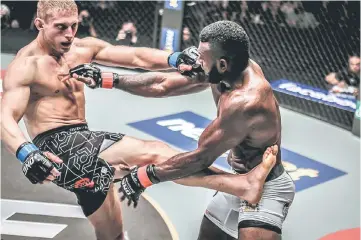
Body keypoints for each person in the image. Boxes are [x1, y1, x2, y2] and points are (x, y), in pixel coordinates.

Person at [1, 1, 275, 239]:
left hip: (85, 154)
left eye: (73, 25)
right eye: (60, 27)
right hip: (57, 146)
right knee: (155, 152)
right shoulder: (27, 65)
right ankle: (241, 185)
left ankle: (240, 185)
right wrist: (27, 153)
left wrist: (175, 57)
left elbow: (136, 56)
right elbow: (5, 116)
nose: (70, 34)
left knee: (115, 235)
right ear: (39, 23)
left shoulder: (81, 48)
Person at [102, 20, 295, 240]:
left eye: (203, 59)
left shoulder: (246, 101)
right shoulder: (229, 69)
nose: (197, 61)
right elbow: (163, 84)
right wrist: (110, 79)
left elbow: (200, 159)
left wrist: (144, 177)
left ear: (222, 64)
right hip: (238, 180)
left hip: (267, 189)